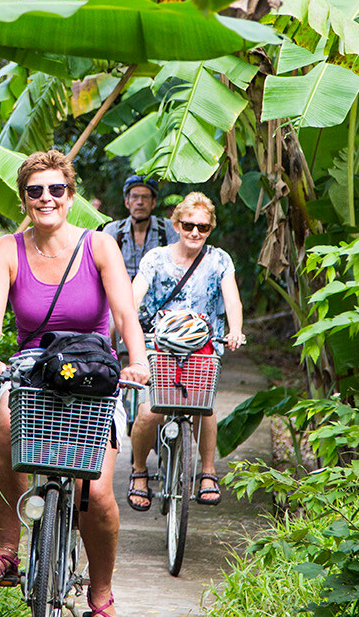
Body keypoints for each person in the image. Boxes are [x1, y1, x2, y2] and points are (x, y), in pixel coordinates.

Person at [0, 150, 151, 617]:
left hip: (94, 369)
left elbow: (127, 315)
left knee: (99, 493)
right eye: (35, 191)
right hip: (32, 365)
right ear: (24, 198)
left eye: (56, 189)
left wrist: (138, 360)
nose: (46, 198)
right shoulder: (8, 249)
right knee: (5, 427)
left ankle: (100, 594)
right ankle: (8, 549)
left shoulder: (99, 246)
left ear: (71, 196)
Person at [126, 192, 245, 511]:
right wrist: (129, 325)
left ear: (210, 230)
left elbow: (231, 298)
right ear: (177, 225)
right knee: (150, 411)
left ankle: (208, 472)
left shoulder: (219, 259)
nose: (195, 232)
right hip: (158, 344)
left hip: (203, 345)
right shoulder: (156, 258)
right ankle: (139, 472)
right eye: (189, 225)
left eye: (203, 228)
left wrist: (235, 329)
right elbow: (135, 293)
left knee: (204, 407)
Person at [100, 174, 178, 280]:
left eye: (145, 197)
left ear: (153, 202)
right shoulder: (113, 230)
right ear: (127, 202)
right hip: (122, 293)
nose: (140, 202)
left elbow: (179, 265)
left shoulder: (167, 228)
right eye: (135, 197)